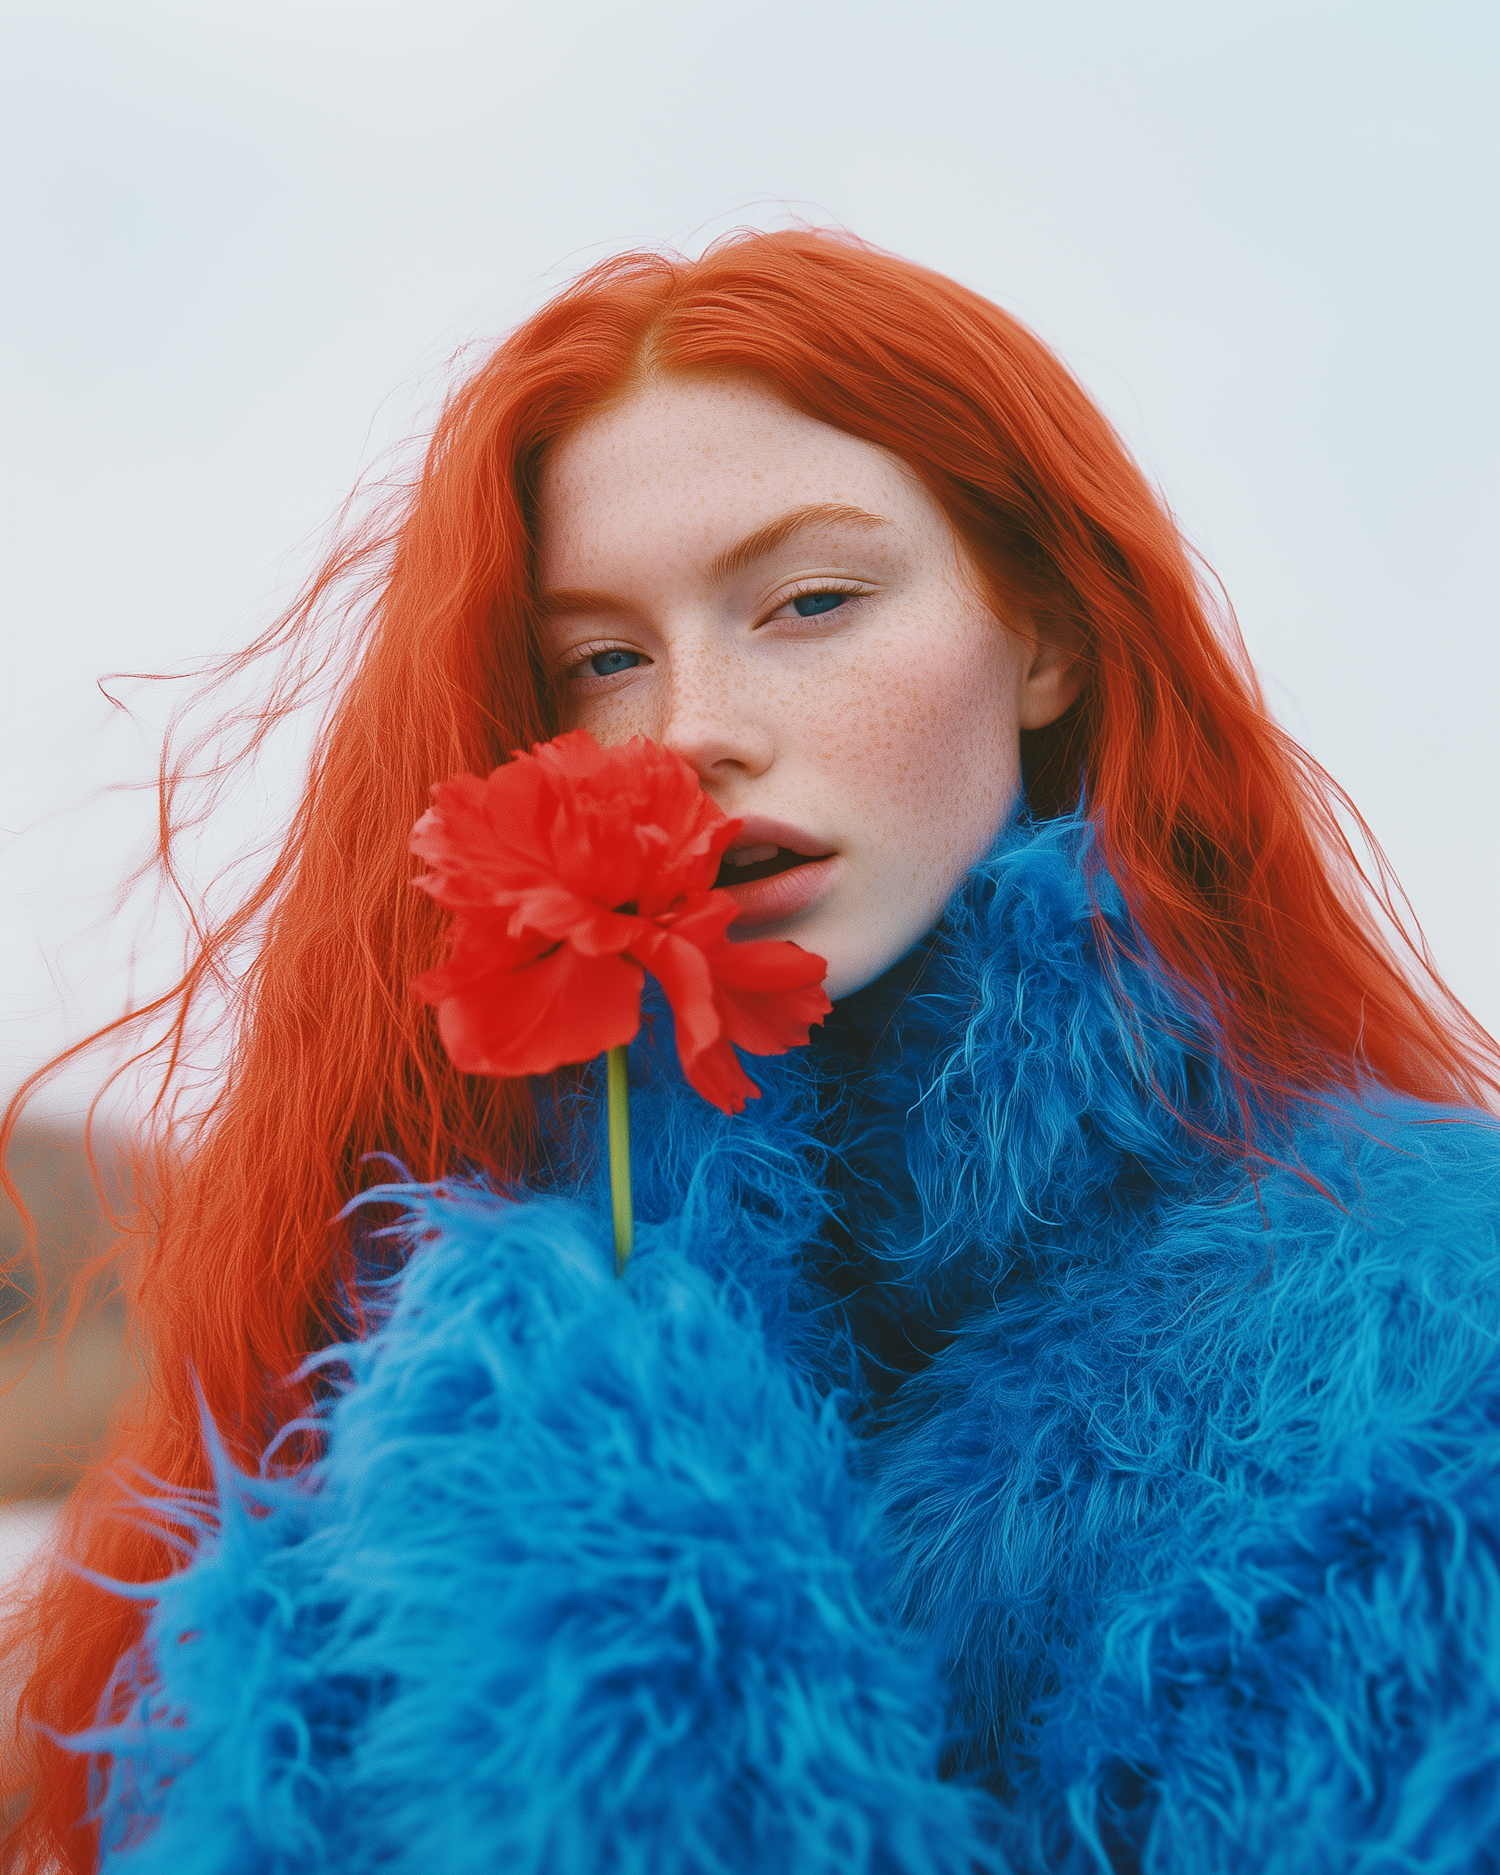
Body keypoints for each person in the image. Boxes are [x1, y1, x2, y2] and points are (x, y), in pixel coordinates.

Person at [4, 228, 1498, 1873]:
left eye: (812, 601)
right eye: (606, 659)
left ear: (1049, 636)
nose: (694, 723)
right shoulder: (414, 1355)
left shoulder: (1432, 1358)